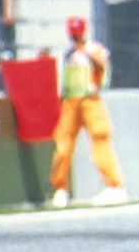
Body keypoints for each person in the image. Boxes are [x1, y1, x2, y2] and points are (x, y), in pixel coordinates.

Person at [50, 17, 127, 207]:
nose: (75, 37)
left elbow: (102, 66)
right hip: (70, 102)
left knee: (100, 139)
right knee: (63, 144)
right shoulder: (67, 54)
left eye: (78, 33)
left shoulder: (94, 49)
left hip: (91, 100)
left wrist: (86, 53)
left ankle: (114, 186)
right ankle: (60, 188)